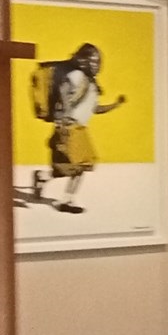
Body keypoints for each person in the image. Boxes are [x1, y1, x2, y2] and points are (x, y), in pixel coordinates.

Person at [27, 43, 127, 214]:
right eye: (93, 61)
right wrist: (64, 117)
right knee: (81, 165)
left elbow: (94, 109)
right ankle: (67, 200)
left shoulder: (91, 84)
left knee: (68, 167)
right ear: (83, 60)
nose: (96, 65)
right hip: (69, 126)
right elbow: (63, 92)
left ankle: (42, 177)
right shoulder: (76, 75)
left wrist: (115, 105)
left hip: (79, 128)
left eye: (97, 61)